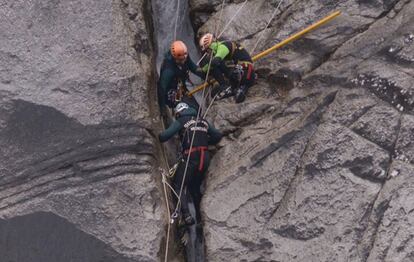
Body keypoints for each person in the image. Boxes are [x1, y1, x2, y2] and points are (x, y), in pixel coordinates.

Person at [159, 102, 222, 225]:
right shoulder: (203, 121)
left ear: (179, 113)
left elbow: (164, 136)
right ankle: (199, 219)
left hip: (191, 157)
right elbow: (217, 135)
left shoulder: (182, 120)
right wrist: (205, 140)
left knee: (179, 185)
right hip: (205, 158)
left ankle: (187, 215)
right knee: (194, 188)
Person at [199, 33, 256, 103]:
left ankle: (229, 87)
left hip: (245, 71)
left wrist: (203, 70)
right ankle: (237, 88)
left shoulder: (223, 47)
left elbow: (216, 61)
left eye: (208, 50)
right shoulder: (226, 45)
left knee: (215, 64)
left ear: (211, 46)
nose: (209, 53)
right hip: (247, 72)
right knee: (214, 93)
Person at [158, 40, 205, 116]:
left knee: (197, 109)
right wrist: (162, 108)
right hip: (171, 93)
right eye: (181, 60)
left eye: (184, 58)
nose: (183, 61)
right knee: (187, 111)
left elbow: (193, 67)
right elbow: (162, 89)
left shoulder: (183, 55)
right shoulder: (168, 70)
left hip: (181, 88)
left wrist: (205, 74)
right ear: (175, 57)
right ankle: (182, 121)